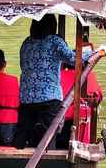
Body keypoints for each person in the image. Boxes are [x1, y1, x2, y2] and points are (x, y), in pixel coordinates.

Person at [13, 14, 79, 149]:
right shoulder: (54, 41)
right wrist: (98, 51)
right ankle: (47, 165)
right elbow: (75, 59)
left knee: (23, 136)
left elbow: (23, 65)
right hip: (49, 98)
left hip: (27, 98)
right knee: (48, 138)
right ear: (52, 26)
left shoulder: (27, 43)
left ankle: (17, 160)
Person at [56, 61, 103, 148]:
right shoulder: (89, 76)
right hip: (75, 120)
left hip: (56, 117)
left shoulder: (56, 75)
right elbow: (98, 96)